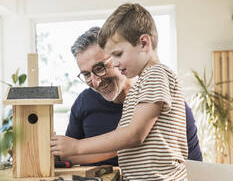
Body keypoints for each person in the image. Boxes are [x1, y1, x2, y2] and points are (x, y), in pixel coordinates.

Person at [51, 3, 194, 181]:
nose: (115, 62)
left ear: (144, 43)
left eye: (116, 55)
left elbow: (133, 135)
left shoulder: (157, 75)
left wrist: (76, 145)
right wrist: (60, 151)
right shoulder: (138, 92)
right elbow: (116, 147)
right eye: (86, 73)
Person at [65, 26, 202, 166]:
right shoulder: (83, 102)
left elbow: (194, 168)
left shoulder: (168, 102)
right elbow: (68, 157)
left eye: (100, 68)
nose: (95, 81)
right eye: (86, 74)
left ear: (119, 59)